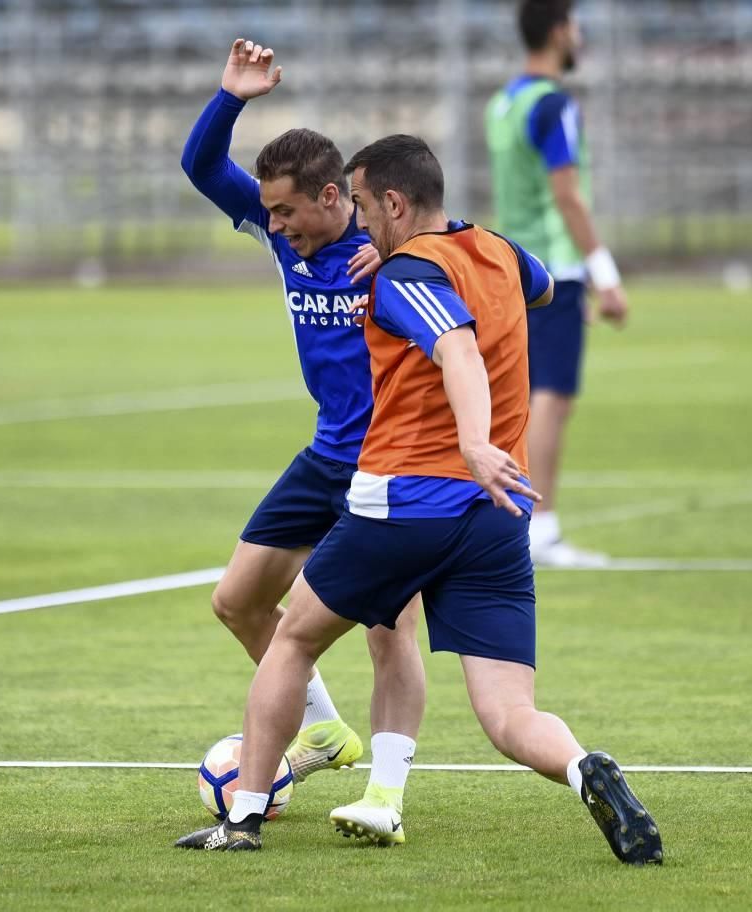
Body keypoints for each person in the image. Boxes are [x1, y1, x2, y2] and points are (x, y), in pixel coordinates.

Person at [175, 135, 663, 866]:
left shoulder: (403, 276)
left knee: (294, 640)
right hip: (498, 512)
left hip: (402, 500)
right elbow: (544, 289)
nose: (362, 225)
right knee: (507, 713)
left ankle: (242, 816)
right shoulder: (495, 249)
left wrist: (471, 436)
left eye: (367, 207)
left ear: (395, 204)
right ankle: (585, 769)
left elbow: (456, 347)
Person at [180, 39, 425, 802]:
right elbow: (199, 167)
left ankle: (386, 796)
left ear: (331, 196)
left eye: (286, 209)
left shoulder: (389, 242)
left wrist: (401, 258)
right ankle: (325, 730)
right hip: (325, 456)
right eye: (269, 210)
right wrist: (231, 99)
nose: (273, 224)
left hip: (392, 461)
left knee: (390, 634)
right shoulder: (283, 232)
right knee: (238, 601)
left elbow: (466, 263)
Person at [486, 0, 628, 567]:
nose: (580, 35)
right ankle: (539, 526)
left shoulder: (503, 103)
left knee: (525, 390)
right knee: (552, 395)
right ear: (558, 31)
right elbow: (566, 194)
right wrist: (605, 275)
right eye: (575, 25)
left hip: (515, 266)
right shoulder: (553, 104)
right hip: (555, 267)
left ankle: (518, 520)